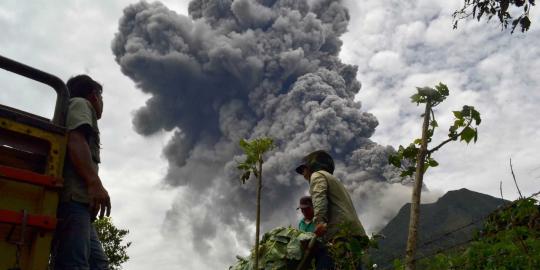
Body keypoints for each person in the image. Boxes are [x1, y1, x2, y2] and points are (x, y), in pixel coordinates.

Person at [52, 75, 110, 269]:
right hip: (73, 200)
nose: (102, 103)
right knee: (74, 264)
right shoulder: (80, 104)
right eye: (102, 97)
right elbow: (76, 139)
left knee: (98, 264)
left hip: (81, 204)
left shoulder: (75, 106)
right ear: (94, 95)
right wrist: (94, 183)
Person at [295, 150, 366, 270]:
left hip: (338, 234)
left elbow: (319, 197)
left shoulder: (317, 175)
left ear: (311, 166)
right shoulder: (334, 180)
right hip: (354, 234)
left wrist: (319, 223)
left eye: (303, 169)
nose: (303, 174)